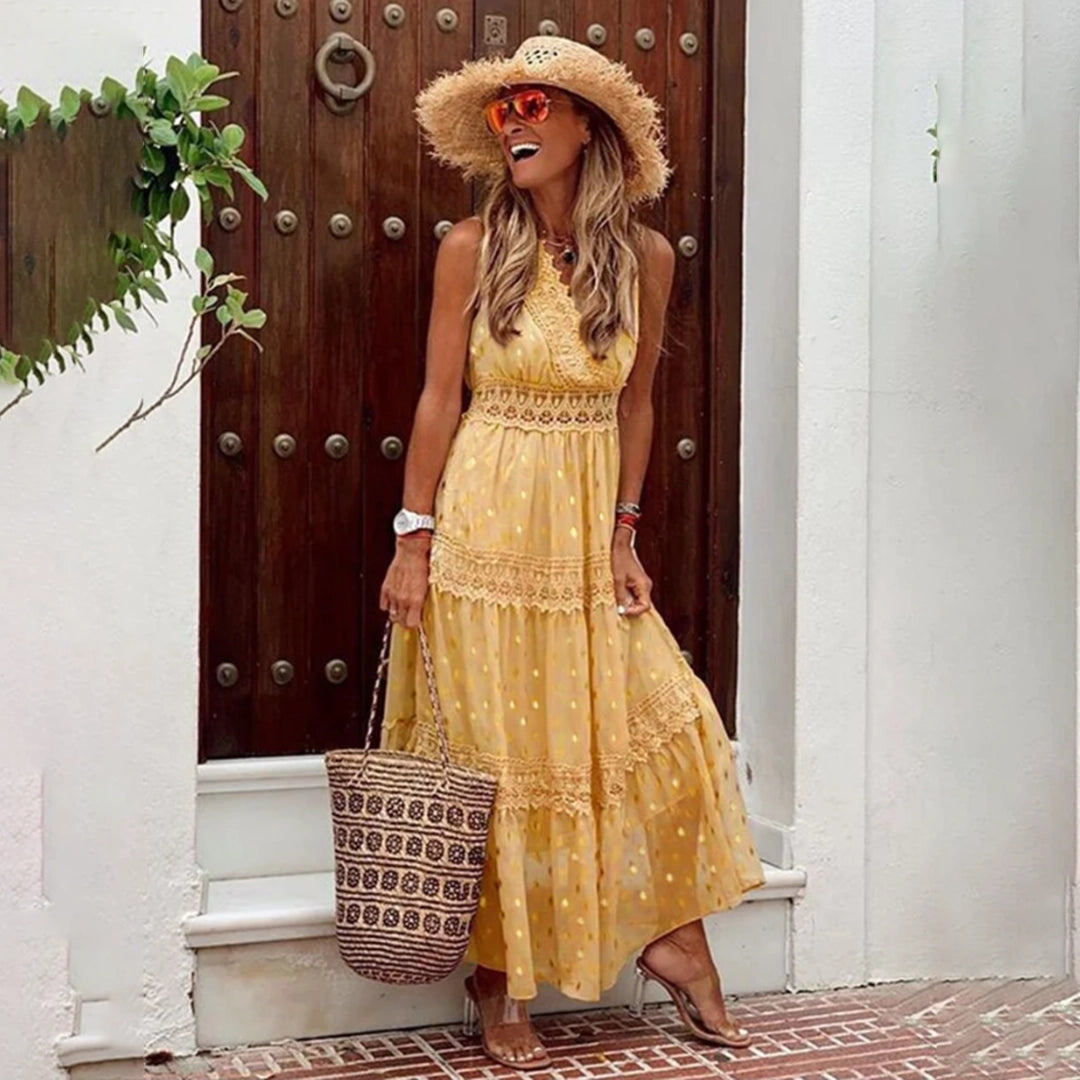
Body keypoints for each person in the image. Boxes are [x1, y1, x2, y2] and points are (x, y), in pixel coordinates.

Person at [377, 35, 766, 1072]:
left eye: (535, 103)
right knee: (496, 758)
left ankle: (672, 937)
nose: (515, 120)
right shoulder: (471, 246)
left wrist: (625, 533)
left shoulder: (645, 259)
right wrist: (414, 539)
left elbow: (638, 405)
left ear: (586, 124)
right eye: (505, 106)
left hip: (586, 523)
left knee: (665, 718)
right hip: (488, 524)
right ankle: (498, 980)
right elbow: (437, 400)